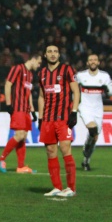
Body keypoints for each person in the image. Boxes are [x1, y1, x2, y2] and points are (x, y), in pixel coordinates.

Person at [38, 45, 80, 197]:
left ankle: (71, 188)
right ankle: (56, 187)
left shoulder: (67, 70)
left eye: (55, 51)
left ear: (59, 54)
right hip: (48, 119)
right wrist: (40, 117)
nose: (53, 54)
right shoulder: (42, 73)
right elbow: (41, 96)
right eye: (49, 51)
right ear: (45, 55)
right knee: (50, 151)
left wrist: (74, 112)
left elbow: (76, 91)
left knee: (65, 147)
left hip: (64, 118)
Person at [0, 54, 42, 174]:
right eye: (38, 62)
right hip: (17, 107)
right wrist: (8, 104)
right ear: (33, 59)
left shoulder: (30, 75)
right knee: (20, 135)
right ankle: (1, 159)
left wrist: (32, 110)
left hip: (26, 109)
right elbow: (8, 84)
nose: (39, 66)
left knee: (24, 137)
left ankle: (21, 167)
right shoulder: (17, 68)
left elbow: (28, 92)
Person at [75, 54, 112, 171]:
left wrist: (108, 90)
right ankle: (86, 145)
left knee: (95, 137)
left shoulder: (104, 76)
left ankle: (86, 160)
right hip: (85, 107)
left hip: (98, 109)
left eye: (95, 60)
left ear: (98, 62)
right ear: (87, 63)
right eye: (90, 60)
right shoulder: (80, 75)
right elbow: (72, 87)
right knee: (92, 129)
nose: (93, 61)